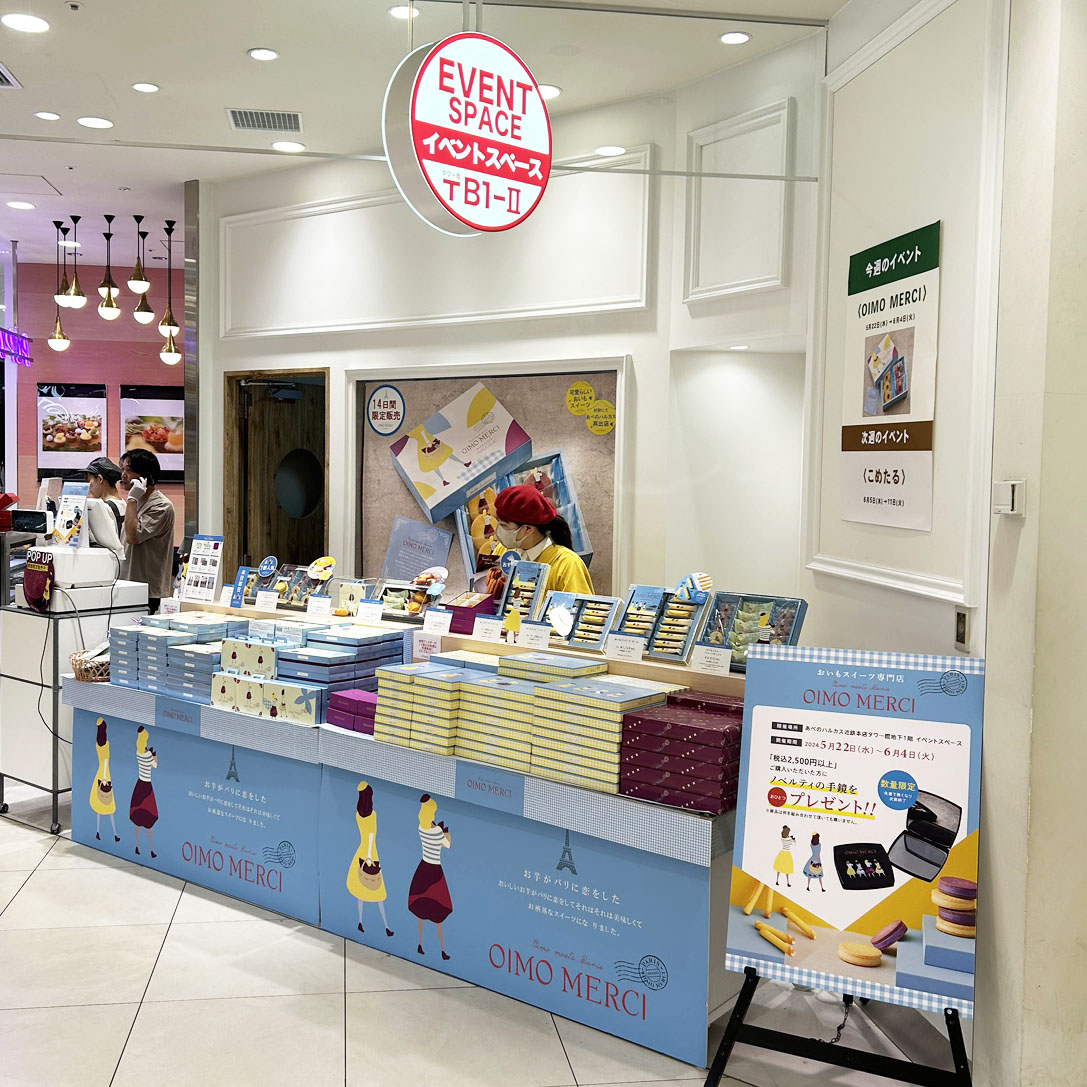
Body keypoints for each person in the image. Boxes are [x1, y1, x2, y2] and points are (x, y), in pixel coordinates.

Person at [488, 483, 593, 596]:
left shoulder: (567, 564)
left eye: (504, 525)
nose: (498, 530)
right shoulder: (503, 551)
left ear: (528, 529)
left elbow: (580, 606)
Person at [120, 449, 175, 614]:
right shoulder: (135, 503)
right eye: (122, 469)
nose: (123, 475)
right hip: (126, 583)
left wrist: (132, 499)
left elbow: (132, 536)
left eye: (129, 470)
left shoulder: (161, 506)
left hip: (147, 591)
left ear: (145, 476)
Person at [346, 782, 394, 938]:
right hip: (370, 852)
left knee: (362, 890)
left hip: (361, 851)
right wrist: (368, 856)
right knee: (377, 890)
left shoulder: (357, 814)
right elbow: (371, 835)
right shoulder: (373, 815)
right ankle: (386, 926)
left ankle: (360, 922)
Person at [408, 794, 452, 960]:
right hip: (435, 871)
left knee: (421, 911)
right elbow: (447, 845)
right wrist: (446, 832)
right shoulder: (437, 831)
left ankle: (420, 944)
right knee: (438, 913)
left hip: (423, 869)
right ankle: (442, 950)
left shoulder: (421, 828)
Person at [129, 726, 159, 858]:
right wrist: (154, 756)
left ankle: (136, 846)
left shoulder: (138, 752)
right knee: (148, 822)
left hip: (139, 785)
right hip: (147, 787)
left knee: (137, 820)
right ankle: (151, 850)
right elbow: (155, 765)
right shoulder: (147, 755)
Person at [84, 457, 126, 531]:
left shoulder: (105, 508)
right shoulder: (123, 503)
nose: (88, 486)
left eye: (89, 480)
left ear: (100, 479)